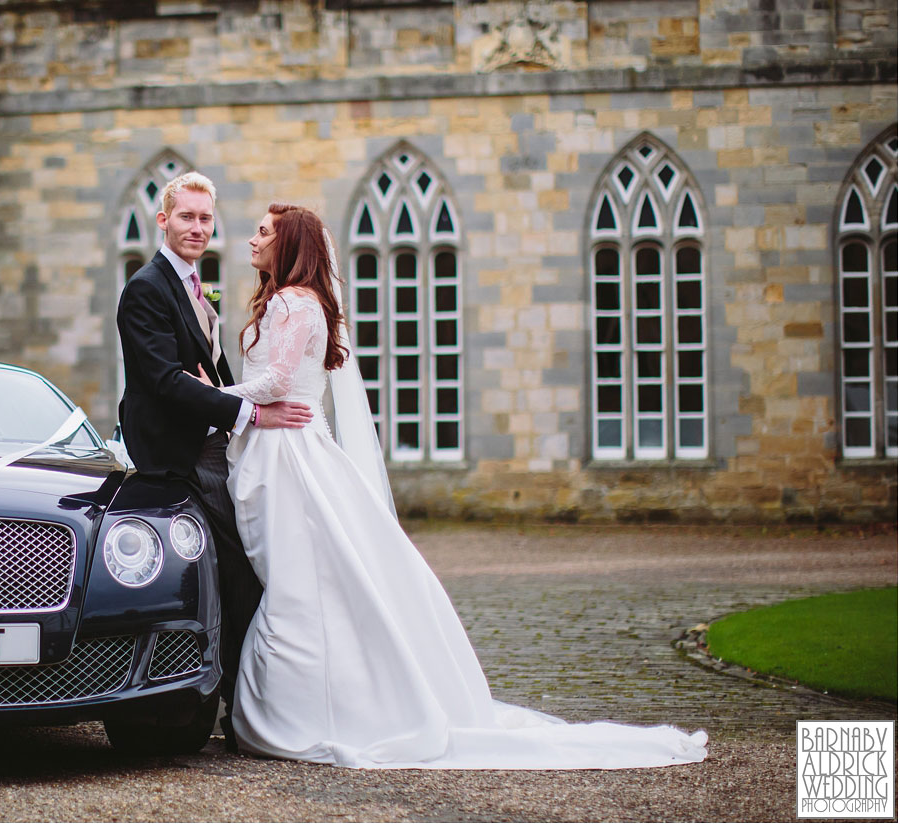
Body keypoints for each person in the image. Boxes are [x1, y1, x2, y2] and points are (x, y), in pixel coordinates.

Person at [191, 202, 708, 769]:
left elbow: (279, 382)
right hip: (284, 449)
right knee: (313, 580)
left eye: (263, 232)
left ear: (288, 244)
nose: (250, 239)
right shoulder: (298, 301)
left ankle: (312, 713)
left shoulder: (294, 301)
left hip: (289, 456)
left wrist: (210, 395)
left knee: (298, 583)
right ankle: (334, 701)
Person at [115, 173, 312, 751]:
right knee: (227, 577)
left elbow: (211, 372)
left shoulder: (196, 287)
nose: (197, 228)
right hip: (177, 460)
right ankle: (218, 705)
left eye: (205, 219)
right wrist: (248, 414)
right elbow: (165, 380)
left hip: (213, 452)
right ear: (163, 220)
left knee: (244, 572)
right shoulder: (146, 288)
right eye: (187, 218)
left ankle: (241, 702)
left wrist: (233, 402)